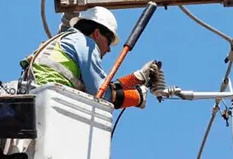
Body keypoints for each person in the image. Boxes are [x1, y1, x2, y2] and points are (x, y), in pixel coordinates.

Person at [22, 6, 159, 109]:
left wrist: (136, 78)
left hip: (36, 100)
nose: (109, 49)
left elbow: (103, 86)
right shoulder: (86, 44)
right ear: (96, 34)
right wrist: (137, 97)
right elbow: (101, 94)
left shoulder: (66, 40)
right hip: (54, 101)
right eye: (109, 41)